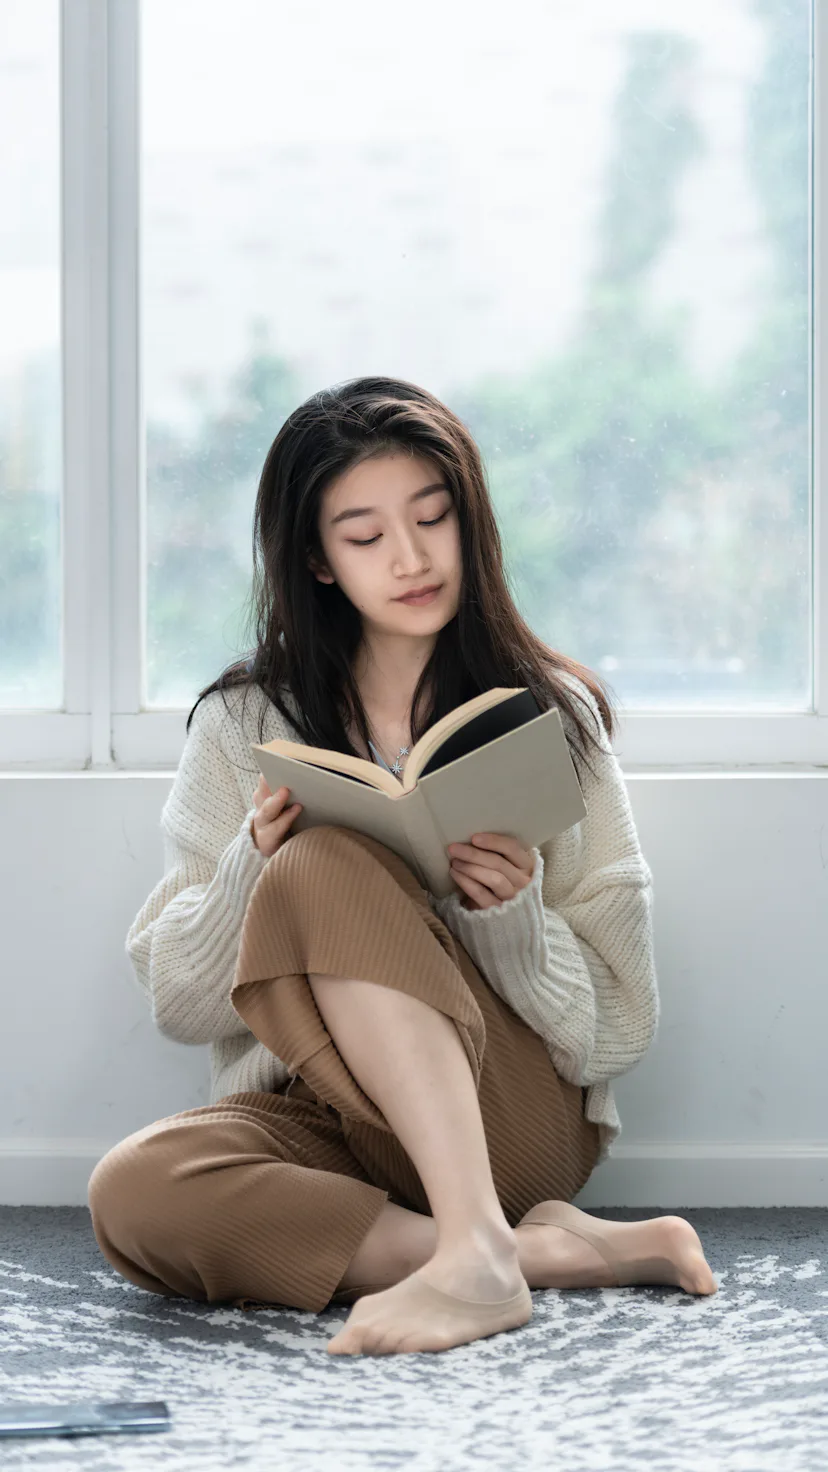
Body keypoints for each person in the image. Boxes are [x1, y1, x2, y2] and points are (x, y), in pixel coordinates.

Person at [88, 375, 717, 1358]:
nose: (412, 556)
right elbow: (179, 999)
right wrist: (254, 870)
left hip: (509, 1117)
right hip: (334, 1122)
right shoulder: (240, 724)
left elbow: (621, 1022)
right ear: (317, 557)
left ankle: (478, 1240)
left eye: (433, 517)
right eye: (366, 534)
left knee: (323, 863)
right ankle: (530, 1252)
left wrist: (512, 920)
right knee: (130, 1191)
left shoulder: (550, 717)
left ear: (471, 523)